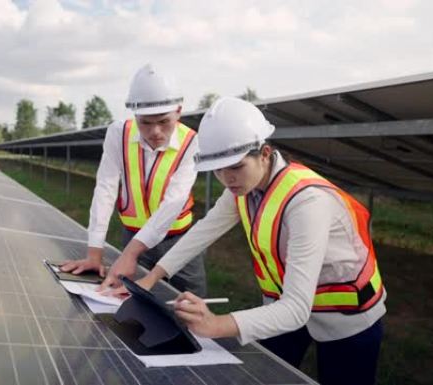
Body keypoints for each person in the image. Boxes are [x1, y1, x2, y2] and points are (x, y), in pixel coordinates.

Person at [117, 96, 387, 385]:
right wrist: (153, 277)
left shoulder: (307, 203)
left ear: (265, 153)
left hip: (347, 316)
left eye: (235, 166)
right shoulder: (243, 188)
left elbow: (297, 308)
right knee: (268, 376)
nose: (227, 178)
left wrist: (216, 324)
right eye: (218, 170)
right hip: (282, 309)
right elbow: (204, 231)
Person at [59, 64, 207, 297]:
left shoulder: (192, 143)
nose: (155, 131)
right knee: (129, 299)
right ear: (135, 115)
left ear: (178, 111)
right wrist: (94, 253)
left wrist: (129, 255)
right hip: (133, 235)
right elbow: (106, 189)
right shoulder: (118, 134)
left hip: (179, 240)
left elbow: (172, 204)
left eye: (163, 121)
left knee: (191, 301)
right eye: (145, 122)